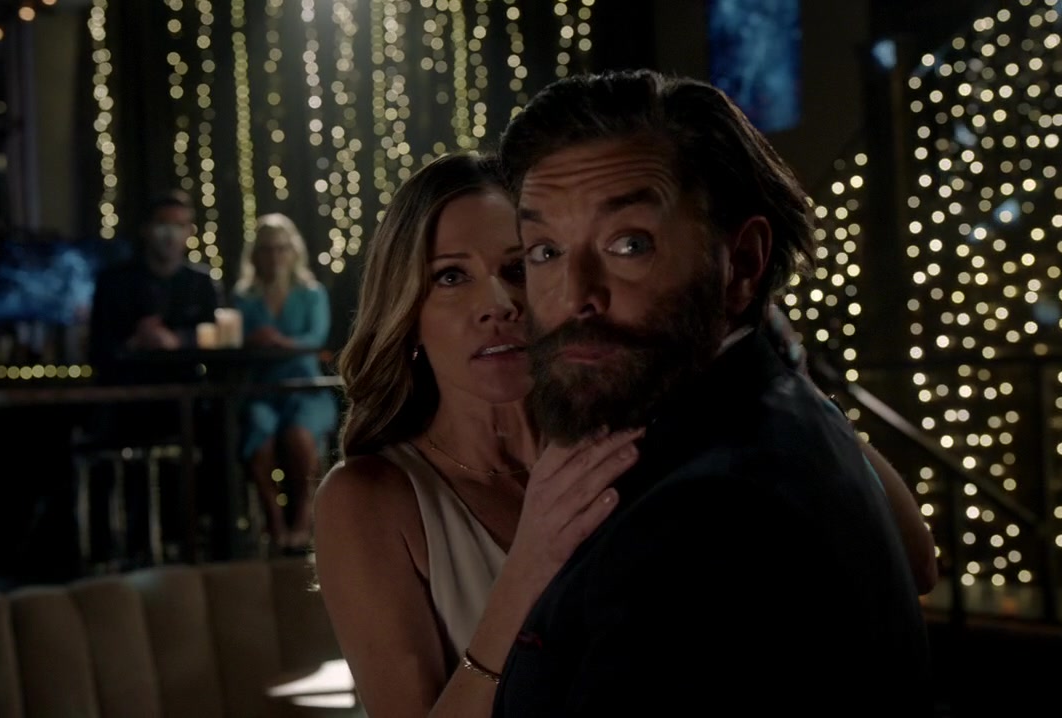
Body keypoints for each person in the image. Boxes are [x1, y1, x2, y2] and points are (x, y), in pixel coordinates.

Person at [489, 69, 932, 716]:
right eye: (544, 251)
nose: (574, 295)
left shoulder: (703, 517)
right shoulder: (773, 408)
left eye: (629, 244)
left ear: (742, 263)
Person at [313, 153, 643, 718]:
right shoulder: (367, 500)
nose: (497, 305)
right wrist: (528, 567)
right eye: (450, 276)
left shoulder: (625, 447)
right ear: (408, 313)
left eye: (518, 269)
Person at [233, 213, 337, 551]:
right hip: (263, 391)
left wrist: (280, 342)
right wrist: (251, 342)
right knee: (258, 432)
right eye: (267, 249)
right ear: (255, 255)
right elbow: (234, 342)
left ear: (293, 251)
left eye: (281, 248)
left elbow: (316, 338)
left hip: (306, 390)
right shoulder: (244, 297)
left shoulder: (311, 293)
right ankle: (275, 524)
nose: (275, 256)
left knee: (299, 435)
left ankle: (303, 521)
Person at [87, 189, 222, 372]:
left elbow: (217, 339)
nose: (171, 235)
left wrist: (178, 340)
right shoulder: (114, 282)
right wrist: (135, 342)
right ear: (146, 229)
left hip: (187, 383)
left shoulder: (202, 282)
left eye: (179, 225)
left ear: (190, 231)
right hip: (128, 382)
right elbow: (97, 349)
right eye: (163, 224)